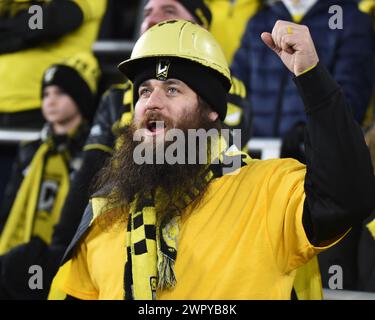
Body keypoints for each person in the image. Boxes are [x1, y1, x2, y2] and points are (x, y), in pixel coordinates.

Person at [55, 19, 375, 300]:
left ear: (211, 111)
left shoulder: (268, 189)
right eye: (144, 91)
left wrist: (312, 79)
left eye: (172, 89)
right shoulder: (105, 210)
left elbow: (347, 198)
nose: (152, 102)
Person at [46, 0, 253, 295]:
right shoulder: (116, 98)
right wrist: (64, 245)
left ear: (201, 29)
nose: (153, 19)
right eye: (146, 13)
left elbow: (226, 168)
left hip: (201, 225)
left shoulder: (227, 90)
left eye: (169, 11)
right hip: (119, 224)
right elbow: (90, 177)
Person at [0, 52, 100, 299]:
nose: (51, 101)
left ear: (81, 99)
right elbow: (11, 204)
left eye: (61, 93)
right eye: (46, 94)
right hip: (20, 252)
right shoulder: (30, 150)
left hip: (63, 254)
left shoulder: (92, 153)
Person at [231, 0, 375, 139]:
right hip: (255, 155)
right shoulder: (258, 21)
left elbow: (350, 104)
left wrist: (307, 138)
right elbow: (234, 93)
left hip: (316, 156)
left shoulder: (352, 20)